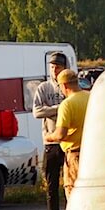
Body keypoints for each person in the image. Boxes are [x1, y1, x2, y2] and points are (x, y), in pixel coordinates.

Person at [32, 52, 68, 210]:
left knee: (71, 183)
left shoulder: (69, 87)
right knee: (51, 185)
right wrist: (59, 108)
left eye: (58, 67)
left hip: (69, 142)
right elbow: (37, 111)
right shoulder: (44, 88)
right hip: (51, 141)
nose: (54, 71)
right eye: (52, 67)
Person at [44, 68, 90, 200]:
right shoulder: (90, 97)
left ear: (64, 85)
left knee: (74, 194)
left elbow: (60, 135)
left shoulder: (67, 105)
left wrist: (49, 136)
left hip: (75, 154)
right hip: (92, 154)